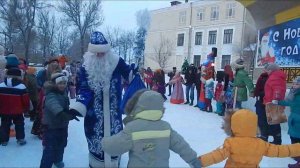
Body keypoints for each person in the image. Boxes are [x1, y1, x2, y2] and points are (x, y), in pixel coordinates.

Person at [69, 31, 136, 168]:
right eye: (96, 53)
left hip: (113, 114)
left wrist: (133, 73)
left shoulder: (117, 62)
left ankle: (114, 163)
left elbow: (130, 77)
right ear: (91, 53)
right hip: (94, 116)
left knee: (115, 140)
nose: (99, 55)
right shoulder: (85, 68)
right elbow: (84, 89)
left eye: (102, 52)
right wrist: (77, 107)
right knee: (96, 141)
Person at [101, 89, 201, 168]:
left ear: (137, 107)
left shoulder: (133, 128)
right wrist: (193, 160)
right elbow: (181, 145)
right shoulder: (165, 127)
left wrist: (104, 142)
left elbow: (114, 146)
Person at [198, 109, 300, 168]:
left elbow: (217, 155)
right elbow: (280, 150)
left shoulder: (230, 143)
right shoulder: (261, 143)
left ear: (233, 125)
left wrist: (199, 162)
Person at [40, 72, 78, 168]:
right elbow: (54, 106)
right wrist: (63, 114)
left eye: (64, 83)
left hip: (62, 125)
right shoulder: (50, 94)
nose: (62, 85)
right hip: (51, 127)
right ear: (54, 84)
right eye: (60, 83)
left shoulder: (63, 93)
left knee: (61, 144)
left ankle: (58, 160)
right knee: (50, 149)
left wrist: (71, 112)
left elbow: (65, 107)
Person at [32, 58, 61, 139]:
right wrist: (44, 88)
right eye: (53, 62)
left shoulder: (60, 72)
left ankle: (54, 129)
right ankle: (41, 131)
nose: (55, 64)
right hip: (44, 93)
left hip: (57, 94)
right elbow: (38, 82)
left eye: (56, 62)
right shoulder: (43, 72)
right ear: (50, 64)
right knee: (43, 112)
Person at [0, 68, 30, 146]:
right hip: (18, 110)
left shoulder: (1, 85)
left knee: (4, 124)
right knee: (19, 124)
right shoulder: (21, 86)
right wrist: (26, 108)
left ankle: (4, 140)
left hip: (4, 110)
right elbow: (25, 99)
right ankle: (20, 139)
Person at [276, 76, 300, 168]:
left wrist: (278, 102)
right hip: (295, 118)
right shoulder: (294, 93)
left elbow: (291, 103)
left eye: (297, 84)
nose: (294, 85)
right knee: (294, 137)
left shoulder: (298, 95)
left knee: (296, 138)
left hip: (297, 119)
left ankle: (297, 157)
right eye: (293, 83)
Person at [264, 63, 286, 145]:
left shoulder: (275, 77)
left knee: (275, 124)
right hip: (272, 102)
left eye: (268, 69)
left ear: (272, 70)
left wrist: (275, 100)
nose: (267, 71)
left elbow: (278, 89)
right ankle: (276, 140)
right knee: (273, 123)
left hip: (273, 103)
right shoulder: (275, 76)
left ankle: (277, 141)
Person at [254, 70, 270, 142]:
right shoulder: (263, 77)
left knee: (262, 119)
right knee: (261, 118)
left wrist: (259, 93)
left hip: (263, 101)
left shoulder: (264, 78)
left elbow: (266, 90)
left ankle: (263, 135)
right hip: (262, 101)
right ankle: (262, 134)